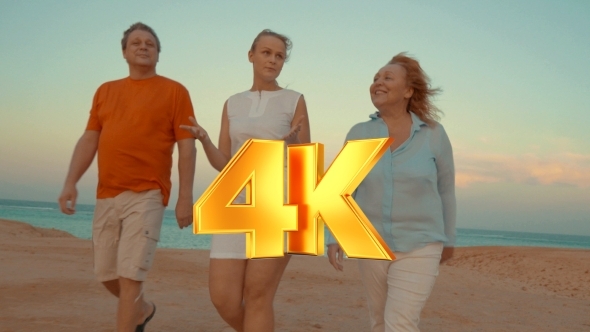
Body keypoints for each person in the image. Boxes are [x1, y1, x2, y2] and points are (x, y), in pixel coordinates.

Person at [58, 22, 196, 332]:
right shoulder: (105, 91)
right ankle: (142, 309)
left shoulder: (175, 91)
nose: (143, 46)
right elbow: (90, 139)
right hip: (107, 194)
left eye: (150, 43)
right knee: (107, 275)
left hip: (148, 193)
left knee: (131, 277)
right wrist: (70, 182)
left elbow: (187, 148)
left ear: (158, 53)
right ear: (124, 52)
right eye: (136, 42)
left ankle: (132, 312)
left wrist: (184, 198)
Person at [180, 29, 310, 332]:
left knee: (257, 295)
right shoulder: (233, 103)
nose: (273, 60)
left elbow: (305, 162)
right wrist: (206, 141)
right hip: (234, 206)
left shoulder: (294, 100)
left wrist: (290, 145)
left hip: (277, 206)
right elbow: (225, 164)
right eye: (266, 53)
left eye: (279, 56)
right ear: (251, 56)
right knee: (223, 298)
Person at [326, 53, 456, 332]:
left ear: (408, 91)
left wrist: (450, 238)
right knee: (379, 321)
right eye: (375, 78)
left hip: (421, 244)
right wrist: (334, 234)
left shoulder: (433, 134)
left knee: (400, 323)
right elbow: (339, 188)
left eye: (387, 77)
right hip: (371, 242)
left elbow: (446, 190)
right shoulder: (360, 133)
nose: (378, 83)